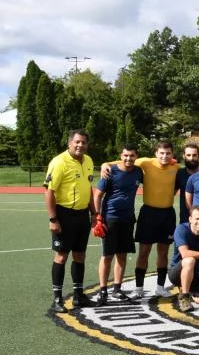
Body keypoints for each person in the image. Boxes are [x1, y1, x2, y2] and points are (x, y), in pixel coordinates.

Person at [104, 140, 180, 299]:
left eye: (168, 153)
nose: (165, 156)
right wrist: (106, 163)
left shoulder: (175, 167)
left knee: (163, 253)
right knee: (144, 251)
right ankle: (139, 288)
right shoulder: (145, 163)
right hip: (148, 214)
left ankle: (160, 287)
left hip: (167, 214)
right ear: (156, 153)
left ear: (173, 154)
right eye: (162, 153)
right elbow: (125, 160)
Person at [44, 129, 98, 312]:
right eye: (77, 142)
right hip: (64, 214)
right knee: (61, 255)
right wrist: (53, 218)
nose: (80, 145)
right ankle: (57, 299)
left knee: (80, 255)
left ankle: (78, 296)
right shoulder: (59, 162)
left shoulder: (89, 161)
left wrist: (93, 213)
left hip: (82, 215)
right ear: (69, 143)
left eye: (83, 142)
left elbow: (88, 187)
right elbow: (49, 191)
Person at [92, 144, 143, 305]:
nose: (128, 158)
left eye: (132, 156)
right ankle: (103, 291)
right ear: (121, 156)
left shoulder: (138, 172)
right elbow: (98, 195)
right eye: (126, 155)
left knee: (122, 255)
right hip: (110, 218)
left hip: (128, 219)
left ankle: (117, 289)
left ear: (136, 157)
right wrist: (97, 216)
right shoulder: (110, 171)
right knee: (107, 256)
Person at [175, 143, 199, 225]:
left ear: (198, 156)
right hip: (185, 219)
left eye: (194, 155)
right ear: (184, 156)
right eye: (188, 155)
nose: (191, 158)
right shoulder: (179, 173)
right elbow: (172, 192)